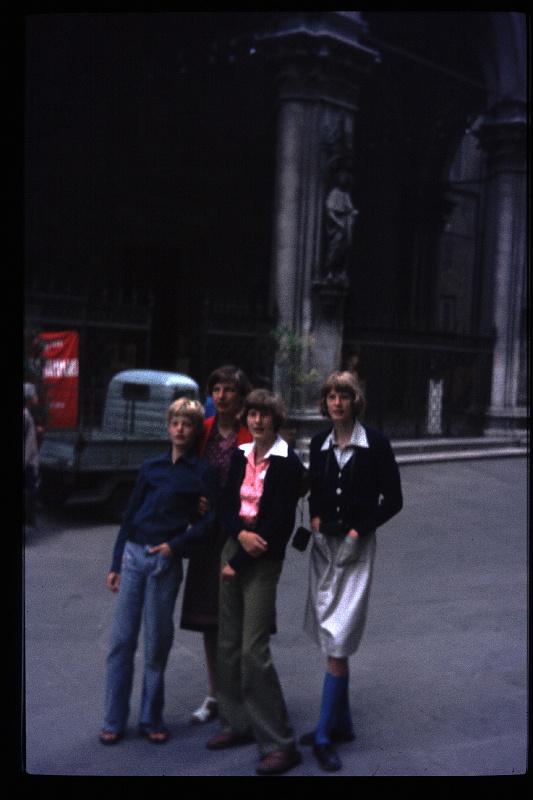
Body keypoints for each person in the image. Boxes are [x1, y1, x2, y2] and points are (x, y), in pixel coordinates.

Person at [99, 397, 218, 746]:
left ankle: (151, 717)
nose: (180, 429)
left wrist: (176, 546)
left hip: (164, 561)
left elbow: (211, 519)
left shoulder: (202, 471)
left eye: (187, 424)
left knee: (156, 645)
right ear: (168, 427)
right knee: (121, 642)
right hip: (134, 555)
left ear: (195, 431)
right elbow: (129, 515)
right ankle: (113, 719)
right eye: (175, 423)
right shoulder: (151, 467)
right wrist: (116, 562)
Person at [300, 371, 402, 771]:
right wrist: (315, 516)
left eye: (343, 396)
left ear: (354, 401)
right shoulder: (319, 443)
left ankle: (324, 734)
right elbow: (316, 488)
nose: (337, 403)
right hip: (324, 548)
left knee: (339, 638)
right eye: (331, 396)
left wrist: (362, 528)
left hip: (356, 549)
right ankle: (341, 722)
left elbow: (393, 499)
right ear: (325, 403)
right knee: (331, 635)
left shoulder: (376, 444)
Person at [206, 389, 306, 776]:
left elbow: (280, 523)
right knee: (228, 643)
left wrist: (241, 557)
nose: (257, 420)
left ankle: (280, 743)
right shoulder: (241, 454)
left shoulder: (287, 463)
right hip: (237, 544)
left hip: (262, 556)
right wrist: (238, 538)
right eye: (252, 414)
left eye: (264, 415)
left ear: (275, 420)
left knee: (253, 651)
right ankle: (236, 723)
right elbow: (227, 505)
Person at [180, 365, 253, 724]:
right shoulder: (203, 431)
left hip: (239, 529)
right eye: (217, 390)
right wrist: (192, 502)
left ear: (241, 396)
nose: (222, 396)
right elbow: (184, 472)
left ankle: (239, 692)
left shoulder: (251, 431)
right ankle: (214, 692)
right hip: (208, 533)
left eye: (229, 390)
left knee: (239, 615)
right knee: (209, 617)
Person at [23, 383, 40, 526]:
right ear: (28, 397)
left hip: (27, 461)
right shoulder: (25, 415)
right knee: (30, 492)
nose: (37, 397)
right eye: (34, 394)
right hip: (26, 462)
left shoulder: (27, 414)